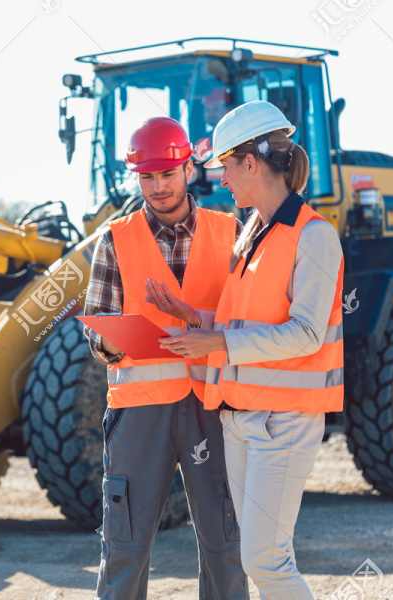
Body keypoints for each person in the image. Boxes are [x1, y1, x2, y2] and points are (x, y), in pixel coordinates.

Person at [148, 100, 344, 600]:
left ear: (251, 163)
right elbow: (244, 323)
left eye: (226, 168)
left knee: (265, 560)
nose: (222, 181)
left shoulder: (315, 237)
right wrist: (195, 317)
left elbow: (305, 334)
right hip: (239, 418)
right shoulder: (251, 235)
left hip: (284, 420)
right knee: (258, 557)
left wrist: (216, 341)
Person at [83, 116, 249, 600]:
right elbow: (99, 333)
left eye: (167, 174)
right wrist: (115, 341)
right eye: (147, 177)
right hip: (139, 412)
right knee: (125, 547)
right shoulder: (115, 238)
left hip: (216, 406)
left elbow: (248, 321)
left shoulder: (233, 233)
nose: (157, 187)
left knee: (225, 545)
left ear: (188, 170)